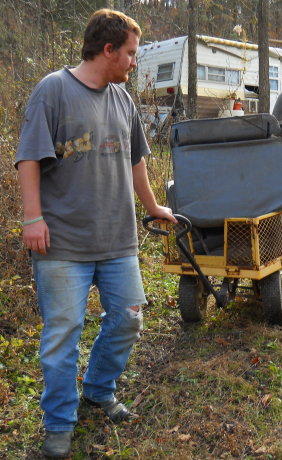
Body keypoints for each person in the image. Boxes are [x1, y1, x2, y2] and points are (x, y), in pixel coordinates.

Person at [15, 9, 177, 458]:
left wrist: (152, 206)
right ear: (107, 50)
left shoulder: (123, 101)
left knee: (128, 319)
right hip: (62, 241)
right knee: (63, 334)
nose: (132, 62)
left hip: (117, 240)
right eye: (129, 53)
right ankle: (59, 426)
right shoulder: (53, 90)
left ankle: (98, 390)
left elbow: (136, 160)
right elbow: (29, 157)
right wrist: (32, 218)